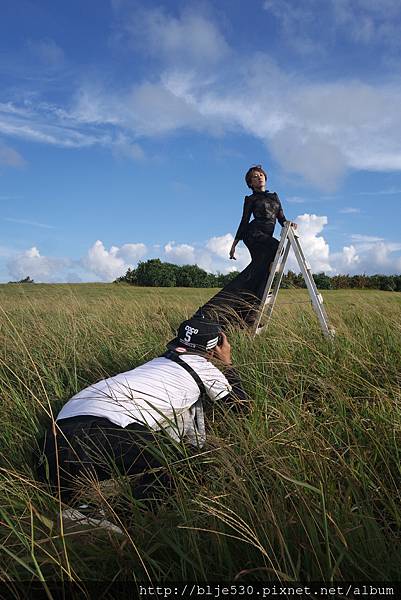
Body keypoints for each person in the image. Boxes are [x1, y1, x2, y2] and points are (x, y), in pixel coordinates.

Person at [38, 315, 246, 516]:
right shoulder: (204, 368)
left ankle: (83, 508)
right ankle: (108, 516)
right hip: (105, 430)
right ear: (215, 348)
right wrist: (227, 363)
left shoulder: (156, 364)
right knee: (185, 468)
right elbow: (241, 407)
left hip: (56, 436)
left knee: (134, 464)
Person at [199, 165, 296, 328]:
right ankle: (245, 313)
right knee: (276, 247)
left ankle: (249, 316)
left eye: (261, 175)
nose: (259, 177)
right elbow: (244, 220)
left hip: (266, 238)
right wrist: (234, 243)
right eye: (254, 177)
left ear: (265, 177)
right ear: (250, 183)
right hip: (253, 235)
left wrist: (289, 223)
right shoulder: (250, 199)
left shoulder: (275, 197)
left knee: (261, 273)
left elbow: (281, 218)